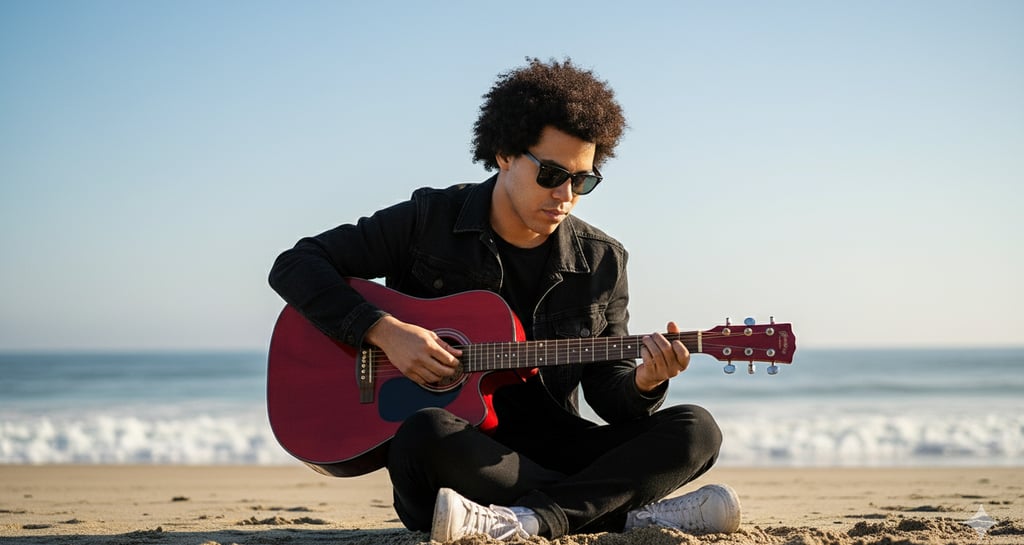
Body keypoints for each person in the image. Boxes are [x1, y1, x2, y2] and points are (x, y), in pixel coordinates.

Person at [268, 57, 740, 541]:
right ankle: (615, 513)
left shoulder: (602, 261)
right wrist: (384, 331)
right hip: (459, 457)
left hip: (550, 451)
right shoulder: (428, 220)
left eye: (583, 180)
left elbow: (610, 395)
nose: (565, 195)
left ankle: (533, 520)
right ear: (504, 154)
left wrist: (643, 382)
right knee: (423, 432)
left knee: (696, 429)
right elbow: (296, 264)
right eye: (552, 173)